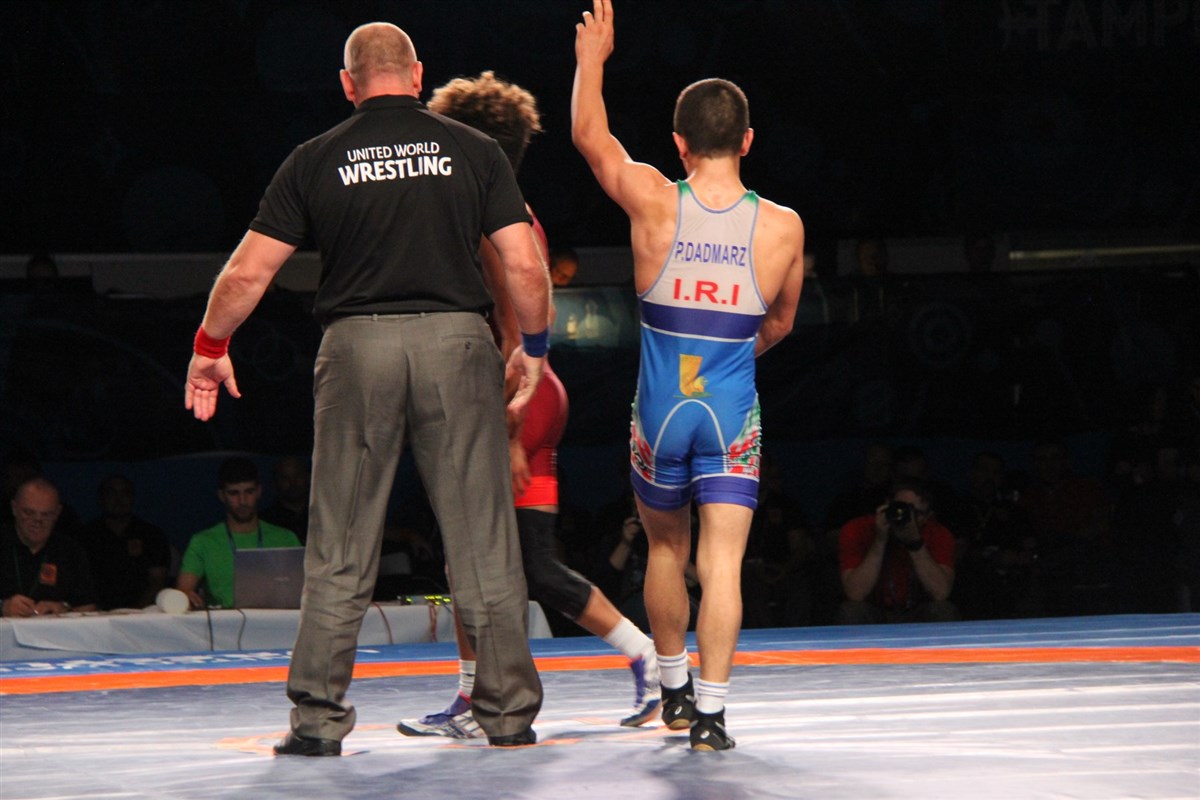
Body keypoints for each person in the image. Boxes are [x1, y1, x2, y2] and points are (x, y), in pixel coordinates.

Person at [183, 21, 551, 755]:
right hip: (456, 345)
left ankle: (318, 723)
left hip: (357, 352)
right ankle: (508, 716)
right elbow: (523, 264)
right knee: (482, 541)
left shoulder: (314, 158)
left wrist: (209, 348)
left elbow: (248, 273)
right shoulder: (473, 150)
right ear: (417, 75)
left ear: (348, 84)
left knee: (340, 546)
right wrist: (533, 347)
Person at [396, 70, 660, 741]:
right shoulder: (517, 210)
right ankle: (646, 657)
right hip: (540, 395)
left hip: (513, 398)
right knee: (534, 564)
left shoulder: (487, 217)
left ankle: (473, 698)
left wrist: (509, 428)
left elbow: (513, 333)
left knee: (467, 558)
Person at [572, 0, 806, 750]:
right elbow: (781, 324)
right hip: (730, 408)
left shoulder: (653, 199)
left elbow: (589, 137)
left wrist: (591, 61)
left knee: (666, 550)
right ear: (747, 141)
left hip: (659, 410)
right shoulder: (783, 227)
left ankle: (672, 690)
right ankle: (711, 715)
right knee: (723, 562)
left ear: (678, 144)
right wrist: (730, 360)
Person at [175, 457, 301, 610]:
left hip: (278, 621)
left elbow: (304, 589)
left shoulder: (286, 538)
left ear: (259, 492)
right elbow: (182, 592)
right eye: (234, 493)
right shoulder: (203, 541)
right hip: (224, 623)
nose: (242, 501)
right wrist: (186, 597)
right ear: (222, 495)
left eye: (249, 492)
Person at [837, 478, 960, 624]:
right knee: (851, 611)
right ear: (886, 505)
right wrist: (879, 540)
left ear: (928, 517)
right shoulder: (856, 529)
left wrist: (915, 543)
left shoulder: (939, 534)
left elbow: (940, 593)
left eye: (916, 513)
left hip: (917, 612)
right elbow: (855, 594)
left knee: (943, 610)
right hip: (875, 612)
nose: (907, 517)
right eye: (901, 508)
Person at [0, 477, 98, 617]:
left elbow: (89, 608)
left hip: (56, 630)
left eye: (46, 515)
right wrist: (3, 607)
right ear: (14, 508)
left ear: (57, 513)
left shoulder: (70, 551)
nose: (37, 521)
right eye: (29, 513)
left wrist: (64, 610)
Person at [79, 474, 172, 610]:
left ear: (133, 498)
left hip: (142, 613)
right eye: (112, 493)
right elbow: (78, 581)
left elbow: (157, 580)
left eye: (125, 493)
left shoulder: (151, 535)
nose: (119, 499)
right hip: (94, 614)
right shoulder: (85, 536)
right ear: (101, 499)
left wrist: (135, 613)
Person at [260, 455, 311, 545]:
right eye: (285, 478)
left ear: (307, 477)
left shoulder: (323, 515)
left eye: (297, 476)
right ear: (276, 481)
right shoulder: (266, 521)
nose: (293, 483)